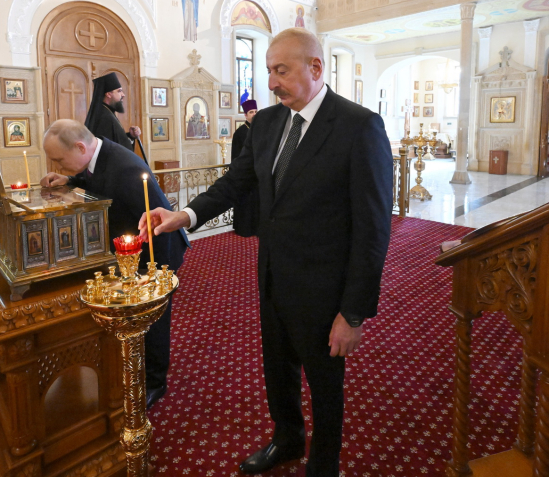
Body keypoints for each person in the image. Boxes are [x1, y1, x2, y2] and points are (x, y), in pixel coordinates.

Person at [139, 28, 393, 476]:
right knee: (278, 370)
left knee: (324, 382)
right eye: (269, 71)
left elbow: (373, 229)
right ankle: (288, 437)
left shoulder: (358, 126)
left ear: (315, 68)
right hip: (273, 275)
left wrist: (353, 313)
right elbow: (237, 183)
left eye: (282, 70)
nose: (271, 82)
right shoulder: (269, 123)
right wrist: (184, 216)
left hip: (325, 289)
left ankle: (324, 461)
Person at [41, 119, 189, 409]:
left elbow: (159, 223)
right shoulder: (98, 156)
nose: (57, 166)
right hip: (131, 251)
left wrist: (154, 276)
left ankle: (156, 381)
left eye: (60, 160)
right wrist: (71, 180)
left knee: (154, 320)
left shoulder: (127, 169)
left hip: (157, 252)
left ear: (80, 146)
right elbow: (98, 180)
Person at [84, 72, 142, 153]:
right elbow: (106, 149)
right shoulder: (103, 117)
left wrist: (130, 136)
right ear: (108, 94)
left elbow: (115, 141)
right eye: (119, 91)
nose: (123, 94)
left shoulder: (107, 111)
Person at [231, 99, 259, 238]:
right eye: (251, 112)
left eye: (255, 111)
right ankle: (244, 228)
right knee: (245, 202)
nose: (254, 114)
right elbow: (236, 156)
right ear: (245, 115)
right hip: (244, 174)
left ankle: (256, 227)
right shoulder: (240, 133)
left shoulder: (260, 129)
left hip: (258, 174)